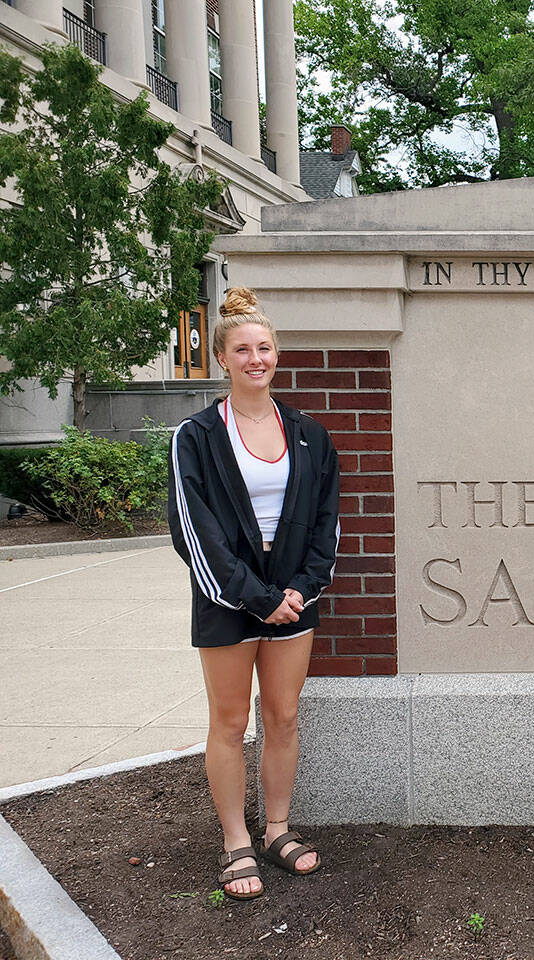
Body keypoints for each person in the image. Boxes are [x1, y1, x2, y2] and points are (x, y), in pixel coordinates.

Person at [167, 287, 340, 901]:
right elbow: (194, 529)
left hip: (292, 600)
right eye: (242, 349)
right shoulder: (195, 436)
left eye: (264, 348)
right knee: (230, 720)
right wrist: (255, 597)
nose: (255, 359)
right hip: (227, 600)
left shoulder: (310, 434)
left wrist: (299, 590)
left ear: (277, 355)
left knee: (284, 716)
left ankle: (277, 830)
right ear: (222, 358)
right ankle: (236, 840)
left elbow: (327, 524)